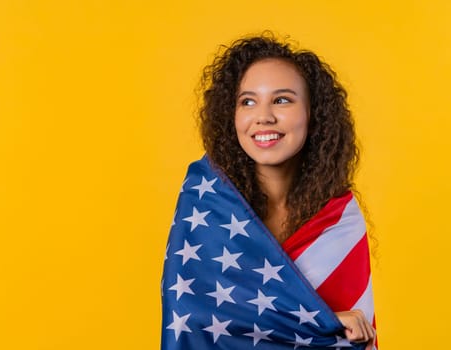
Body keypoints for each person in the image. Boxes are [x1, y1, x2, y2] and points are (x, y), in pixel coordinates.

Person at [161, 32, 377, 350]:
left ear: (313, 114)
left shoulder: (338, 216)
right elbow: (193, 314)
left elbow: (352, 332)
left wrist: (332, 326)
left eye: (282, 100)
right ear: (230, 115)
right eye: (248, 101)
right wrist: (323, 320)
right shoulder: (205, 198)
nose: (263, 117)